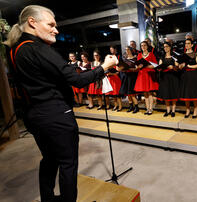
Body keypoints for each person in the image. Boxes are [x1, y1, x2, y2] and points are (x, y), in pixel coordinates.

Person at [4, 5, 117, 202]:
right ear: (32, 22)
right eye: (51, 25)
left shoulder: (15, 49)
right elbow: (77, 80)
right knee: (68, 163)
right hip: (55, 116)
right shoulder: (38, 49)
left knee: (50, 159)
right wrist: (104, 67)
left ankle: (48, 198)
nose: (56, 30)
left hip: (34, 116)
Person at [179, 39, 197, 118]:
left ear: (192, 45)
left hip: (193, 74)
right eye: (185, 44)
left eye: (188, 43)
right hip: (185, 75)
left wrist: (190, 66)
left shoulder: (195, 54)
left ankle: (195, 110)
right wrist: (180, 66)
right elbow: (180, 66)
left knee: (194, 92)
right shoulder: (183, 55)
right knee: (186, 93)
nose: (187, 45)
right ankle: (188, 110)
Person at [134, 41, 159, 115]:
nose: (143, 47)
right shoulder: (139, 55)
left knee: (150, 92)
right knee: (145, 93)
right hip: (142, 75)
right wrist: (138, 66)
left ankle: (151, 108)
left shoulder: (151, 54)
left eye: (144, 45)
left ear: (147, 46)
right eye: (142, 45)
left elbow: (155, 65)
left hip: (149, 74)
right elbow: (137, 66)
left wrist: (146, 66)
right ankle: (147, 108)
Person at [157, 42, 180, 117]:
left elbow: (177, 66)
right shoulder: (162, 57)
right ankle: (168, 110)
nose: (165, 48)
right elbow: (159, 66)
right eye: (164, 47)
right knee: (166, 93)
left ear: (170, 47)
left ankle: (173, 110)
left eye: (167, 46)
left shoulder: (174, 56)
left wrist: (173, 67)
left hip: (173, 77)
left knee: (173, 93)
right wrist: (160, 67)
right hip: (165, 77)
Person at [118, 46, 139, 113]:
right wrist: (121, 69)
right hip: (126, 76)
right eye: (126, 50)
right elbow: (121, 68)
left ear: (131, 50)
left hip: (132, 77)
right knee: (127, 93)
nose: (127, 51)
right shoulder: (125, 59)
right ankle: (131, 106)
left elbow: (137, 69)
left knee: (132, 93)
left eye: (128, 49)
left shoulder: (135, 59)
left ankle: (136, 107)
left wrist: (131, 69)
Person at [107, 46, 123, 111]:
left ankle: (120, 106)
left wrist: (118, 69)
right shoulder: (109, 57)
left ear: (115, 49)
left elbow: (122, 65)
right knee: (113, 93)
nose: (111, 50)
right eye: (110, 49)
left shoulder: (119, 56)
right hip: (111, 76)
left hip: (117, 76)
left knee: (117, 93)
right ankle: (115, 105)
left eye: (112, 49)